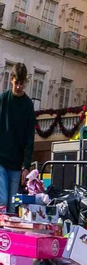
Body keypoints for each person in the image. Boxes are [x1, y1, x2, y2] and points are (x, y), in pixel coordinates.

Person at [0, 66, 35, 209]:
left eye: (21, 83)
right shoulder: (3, 100)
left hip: (16, 163)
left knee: (13, 205)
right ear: (11, 80)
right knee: (1, 201)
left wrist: (26, 166)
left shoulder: (28, 105)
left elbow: (29, 138)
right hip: (1, 159)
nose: (19, 87)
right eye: (16, 83)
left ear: (25, 82)